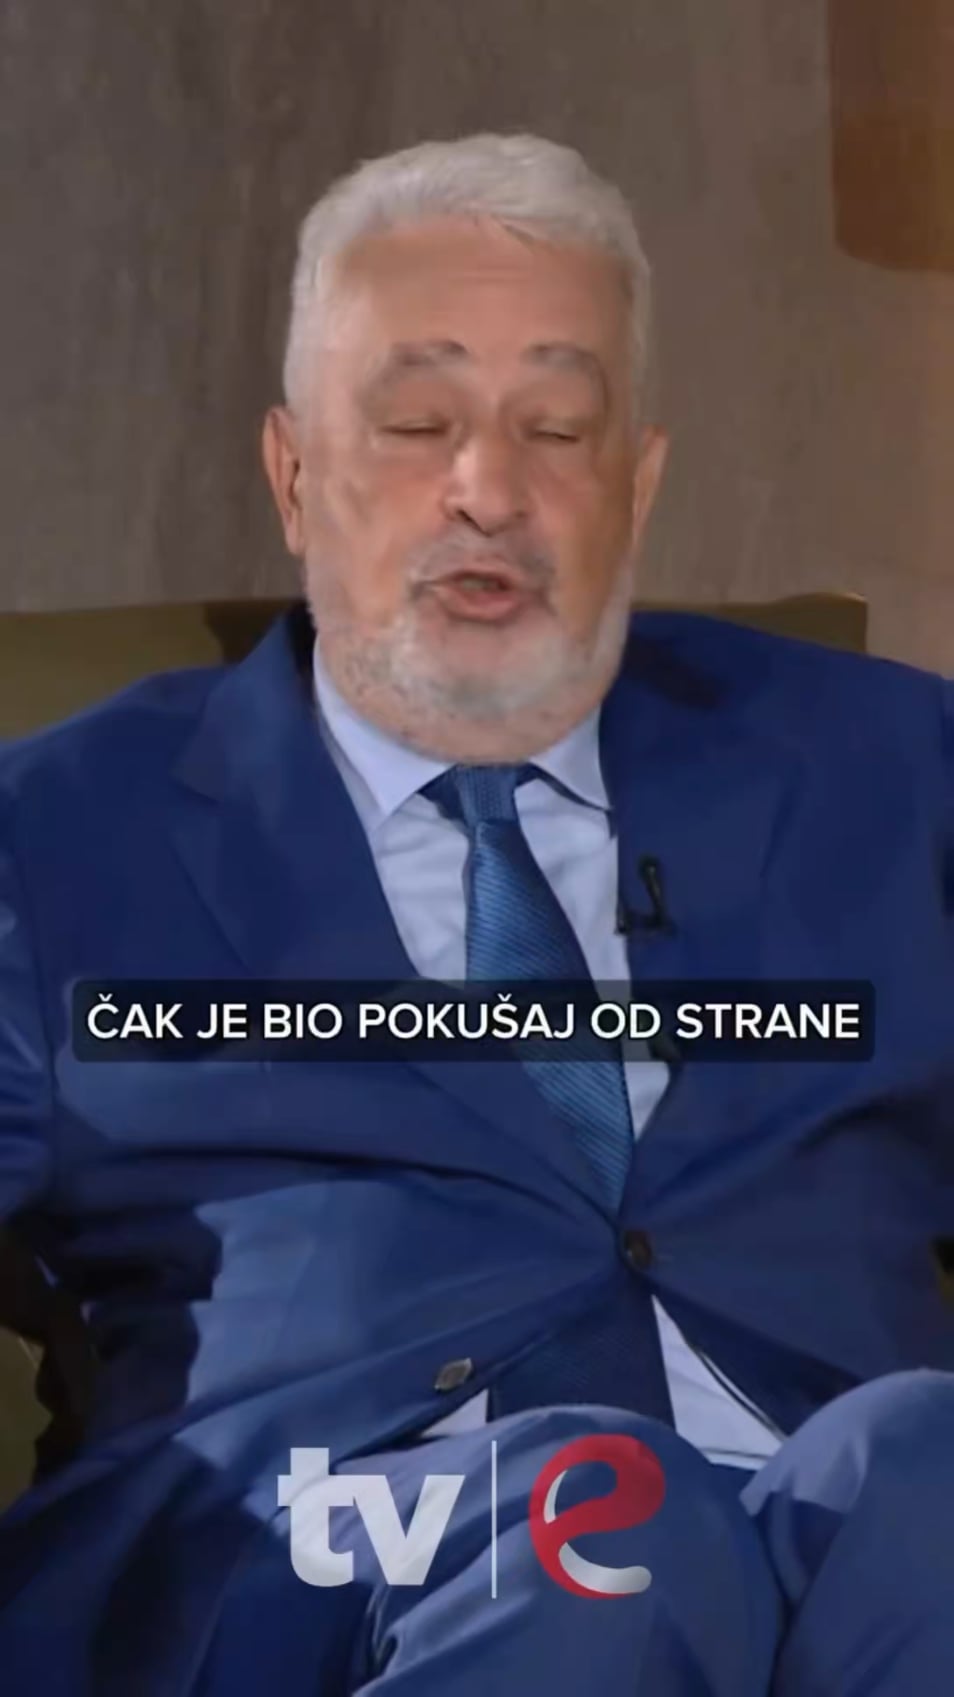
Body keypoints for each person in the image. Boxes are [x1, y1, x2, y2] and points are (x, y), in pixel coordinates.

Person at [0, 129, 952, 1696]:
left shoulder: (887, 766)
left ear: (637, 483)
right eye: (416, 425)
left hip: (832, 1556)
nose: (488, 493)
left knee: (923, 1459)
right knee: (607, 1521)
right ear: (293, 475)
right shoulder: (56, 839)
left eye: (555, 430)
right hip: (322, 1568)